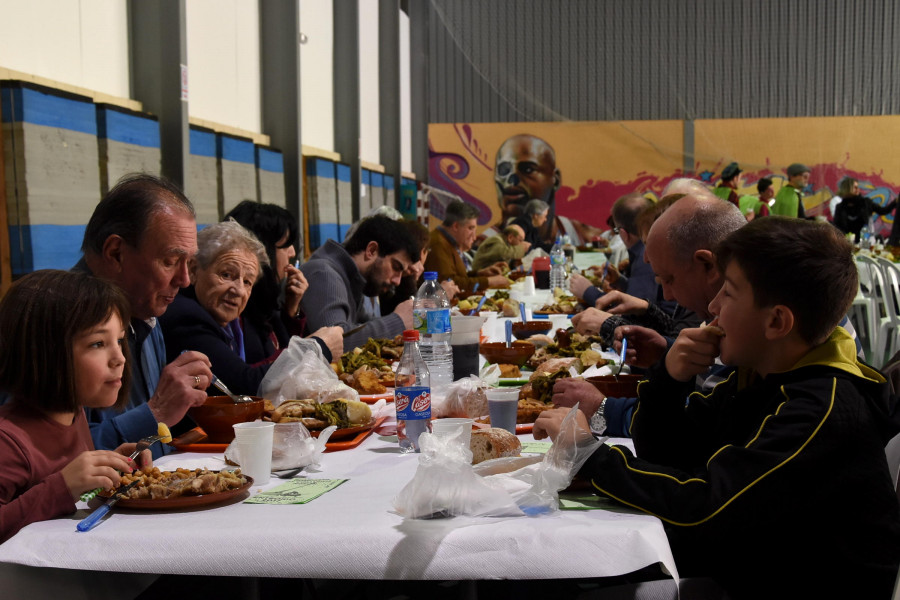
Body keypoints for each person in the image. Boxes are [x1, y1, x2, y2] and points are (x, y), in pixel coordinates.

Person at [535, 217, 900, 598]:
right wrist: (669, 379)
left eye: (728, 293)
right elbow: (668, 455)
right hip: (743, 566)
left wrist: (588, 454)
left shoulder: (822, 410)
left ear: (776, 321)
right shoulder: (756, 375)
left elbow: (706, 508)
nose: (712, 307)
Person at [0, 270, 151, 542]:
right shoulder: (7, 441)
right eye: (97, 343)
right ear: (44, 353)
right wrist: (62, 488)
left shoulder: (73, 413)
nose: (119, 358)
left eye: (119, 340)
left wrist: (106, 468)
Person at [74, 173, 213, 455]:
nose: (185, 280)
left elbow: (157, 444)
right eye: (171, 261)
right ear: (115, 253)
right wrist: (156, 411)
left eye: (189, 263)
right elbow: (47, 458)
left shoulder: (146, 311)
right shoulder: (54, 323)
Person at [159, 221, 339, 396]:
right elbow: (246, 385)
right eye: (226, 275)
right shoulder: (186, 315)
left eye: (247, 282)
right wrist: (317, 347)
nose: (238, 290)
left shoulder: (229, 320)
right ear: (193, 270)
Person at [223, 201, 342, 365]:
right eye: (285, 246)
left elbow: (282, 352)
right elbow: (256, 375)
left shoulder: (265, 300)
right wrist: (316, 347)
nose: (292, 252)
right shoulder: (234, 306)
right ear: (262, 250)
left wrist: (291, 309)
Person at [299, 215, 420, 350]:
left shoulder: (352, 278)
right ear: (371, 250)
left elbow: (362, 326)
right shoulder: (323, 274)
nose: (397, 281)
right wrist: (399, 321)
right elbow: (334, 344)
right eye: (396, 267)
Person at [570, 193, 658, 307]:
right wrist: (621, 282)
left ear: (623, 234)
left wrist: (588, 292)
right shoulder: (645, 249)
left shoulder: (645, 256)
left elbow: (634, 315)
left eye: (616, 230)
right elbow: (641, 297)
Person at [424, 200, 510, 294]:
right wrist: (488, 281)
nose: (474, 236)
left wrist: (479, 274)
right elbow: (449, 283)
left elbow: (458, 277)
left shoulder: (447, 241)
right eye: (470, 228)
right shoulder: (438, 244)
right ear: (456, 226)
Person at [833, 177, 897, 242]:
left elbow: (883, 211)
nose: (858, 189)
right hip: (847, 242)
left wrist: (894, 202)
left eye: (857, 187)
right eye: (855, 187)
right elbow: (837, 227)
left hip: (865, 242)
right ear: (847, 188)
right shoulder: (840, 207)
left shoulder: (866, 203)